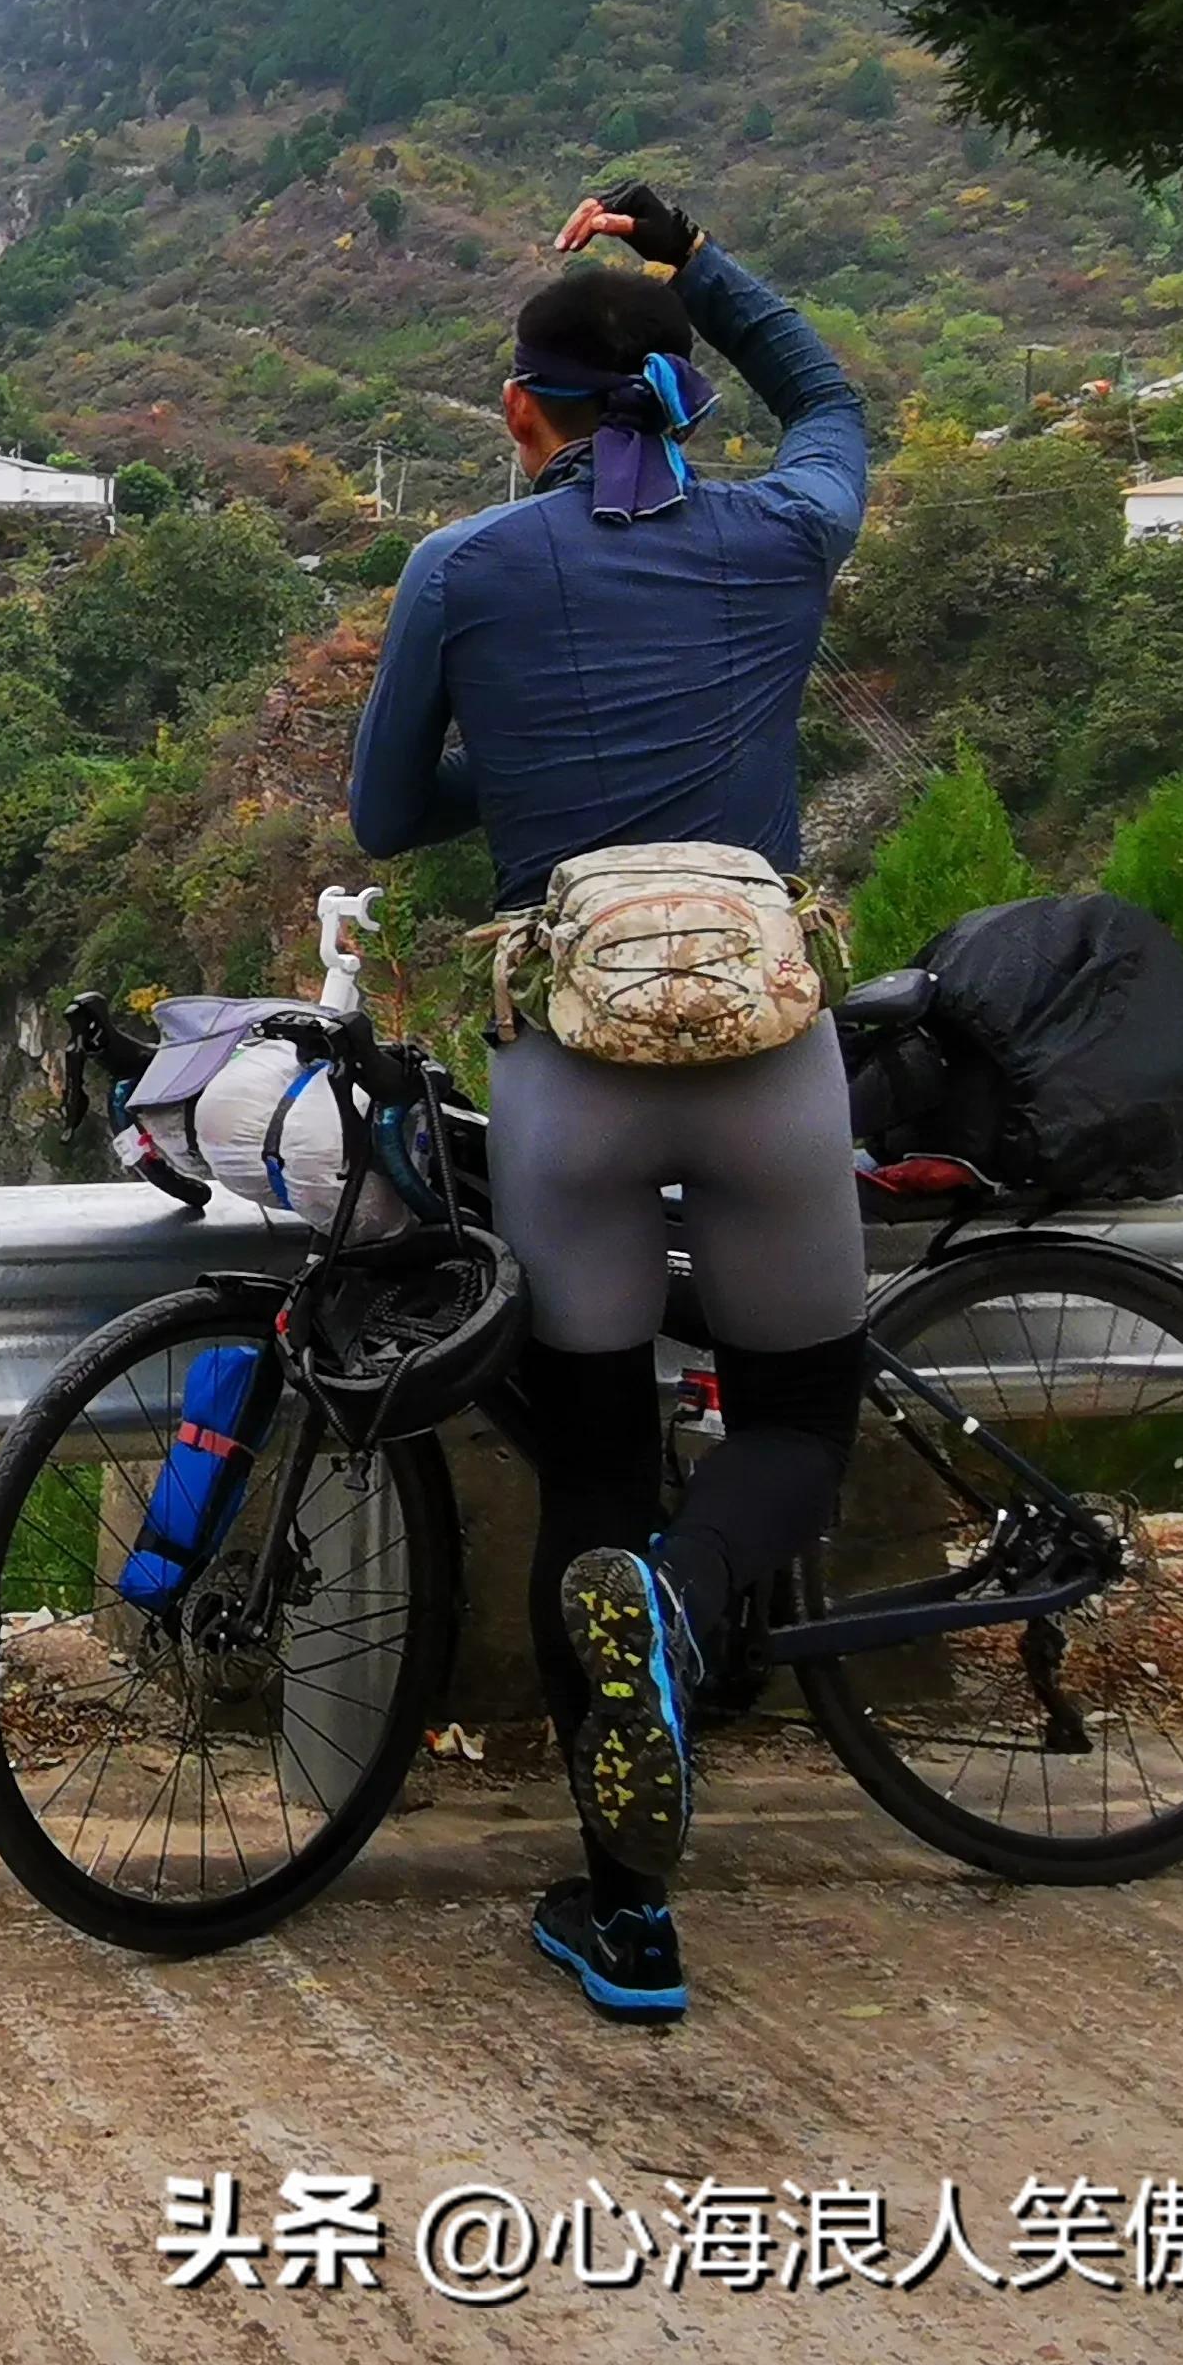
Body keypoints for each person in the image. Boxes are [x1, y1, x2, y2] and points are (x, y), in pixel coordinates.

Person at [343, 178, 873, 2025]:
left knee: (590, 1465)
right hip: (770, 1071)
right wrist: (696, 255)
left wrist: (555, 774)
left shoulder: (465, 574)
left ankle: (625, 1910)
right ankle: (698, 1588)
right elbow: (835, 405)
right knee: (802, 1412)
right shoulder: (784, 532)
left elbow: (390, 818)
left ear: (520, 411)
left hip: (571, 1076)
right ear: (680, 400)